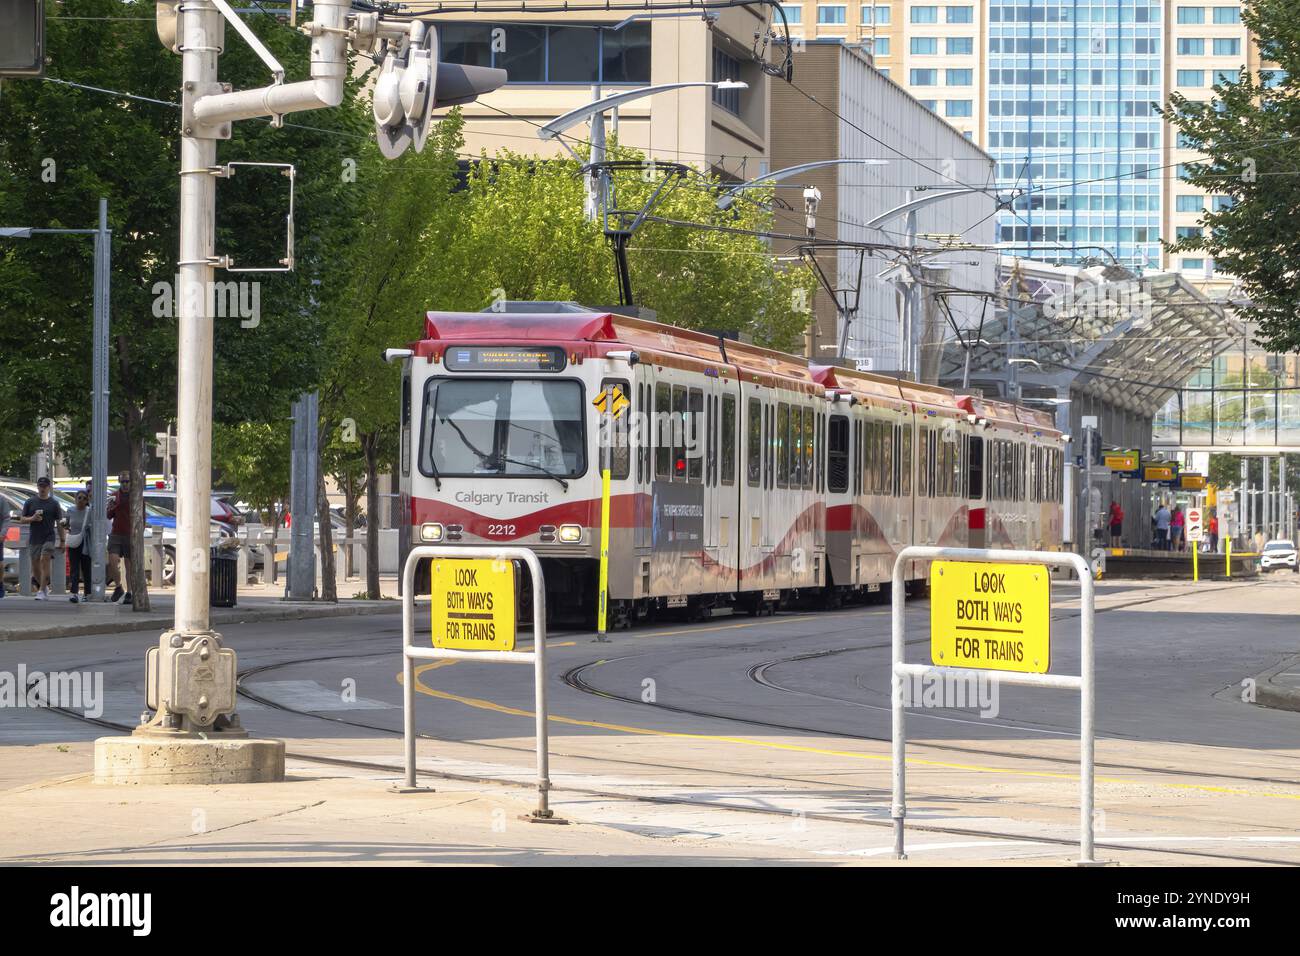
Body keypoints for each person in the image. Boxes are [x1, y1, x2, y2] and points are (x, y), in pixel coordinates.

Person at [18, 477, 65, 600]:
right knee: (35, 566)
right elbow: (22, 519)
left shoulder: (54, 503)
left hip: (49, 537)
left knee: (45, 560)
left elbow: (59, 522)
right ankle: (44, 587)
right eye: (40, 486)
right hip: (35, 538)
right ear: (37, 487)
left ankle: (40, 591)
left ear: (49, 488)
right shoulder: (30, 502)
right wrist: (32, 518)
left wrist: (63, 540)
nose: (42, 488)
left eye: (45, 486)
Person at [106, 472, 134, 605]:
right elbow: (108, 515)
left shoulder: (136, 496)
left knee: (129, 565)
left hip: (130, 534)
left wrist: (138, 533)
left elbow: (142, 515)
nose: (125, 484)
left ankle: (130, 592)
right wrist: (111, 507)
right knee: (112, 559)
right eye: (123, 482)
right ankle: (118, 587)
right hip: (116, 532)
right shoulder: (114, 496)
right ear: (119, 482)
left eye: (127, 481)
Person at [65, 490, 92, 603]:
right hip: (74, 541)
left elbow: (93, 525)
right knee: (74, 568)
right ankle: (74, 593)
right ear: (75, 498)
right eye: (79, 498)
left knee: (86, 569)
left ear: (87, 500)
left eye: (84, 498)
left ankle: (87, 593)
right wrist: (65, 525)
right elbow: (66, 523)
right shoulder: (70, 510)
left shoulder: (89, 511)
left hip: (86, 543)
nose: (81, 500)